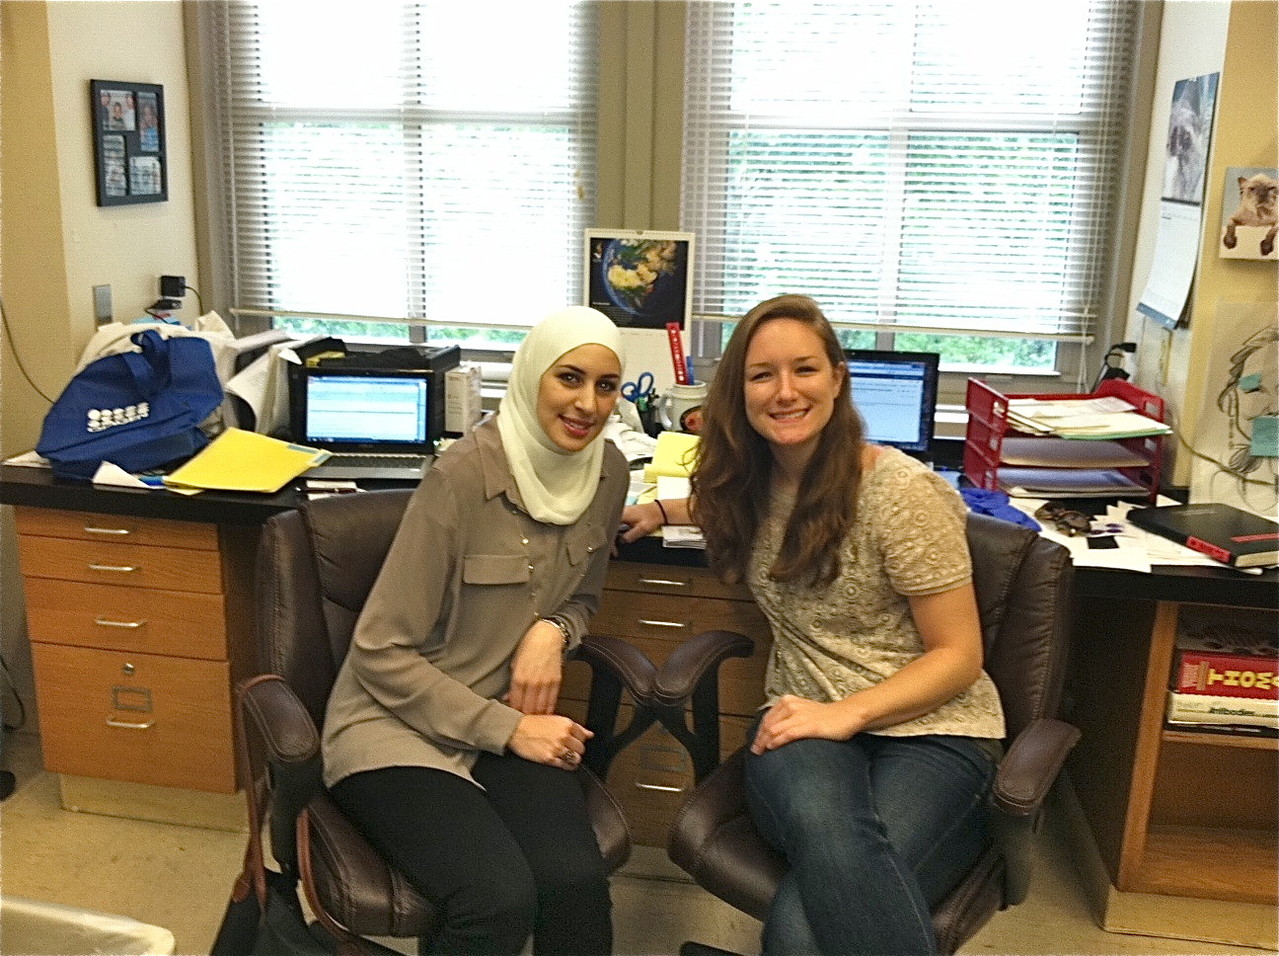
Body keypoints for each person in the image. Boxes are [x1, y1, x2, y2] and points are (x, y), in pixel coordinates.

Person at [620, 294, 1004, 956]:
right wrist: (656, 510)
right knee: (831, 838)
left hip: (935, 731)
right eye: (761, 374)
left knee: (801, 932)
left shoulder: (901, 494)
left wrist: (847, 713)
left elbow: (958, 655)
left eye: (803, 369)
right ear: (738, 392)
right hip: (802, 721)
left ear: (836, 378)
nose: (785, 391)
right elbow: (714, 507)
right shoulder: (748, 484)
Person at [323, 306, 628, 956]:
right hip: (393, 726)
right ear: (529, 379)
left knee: (574, 881)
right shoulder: (461, 478)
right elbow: (379, 651)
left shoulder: (608, 474)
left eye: (606, 386)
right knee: (495, 897)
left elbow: (585, 598)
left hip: (503, 723)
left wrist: (553, 630)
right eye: (569, 378)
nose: (586, 403)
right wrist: (510, 729)